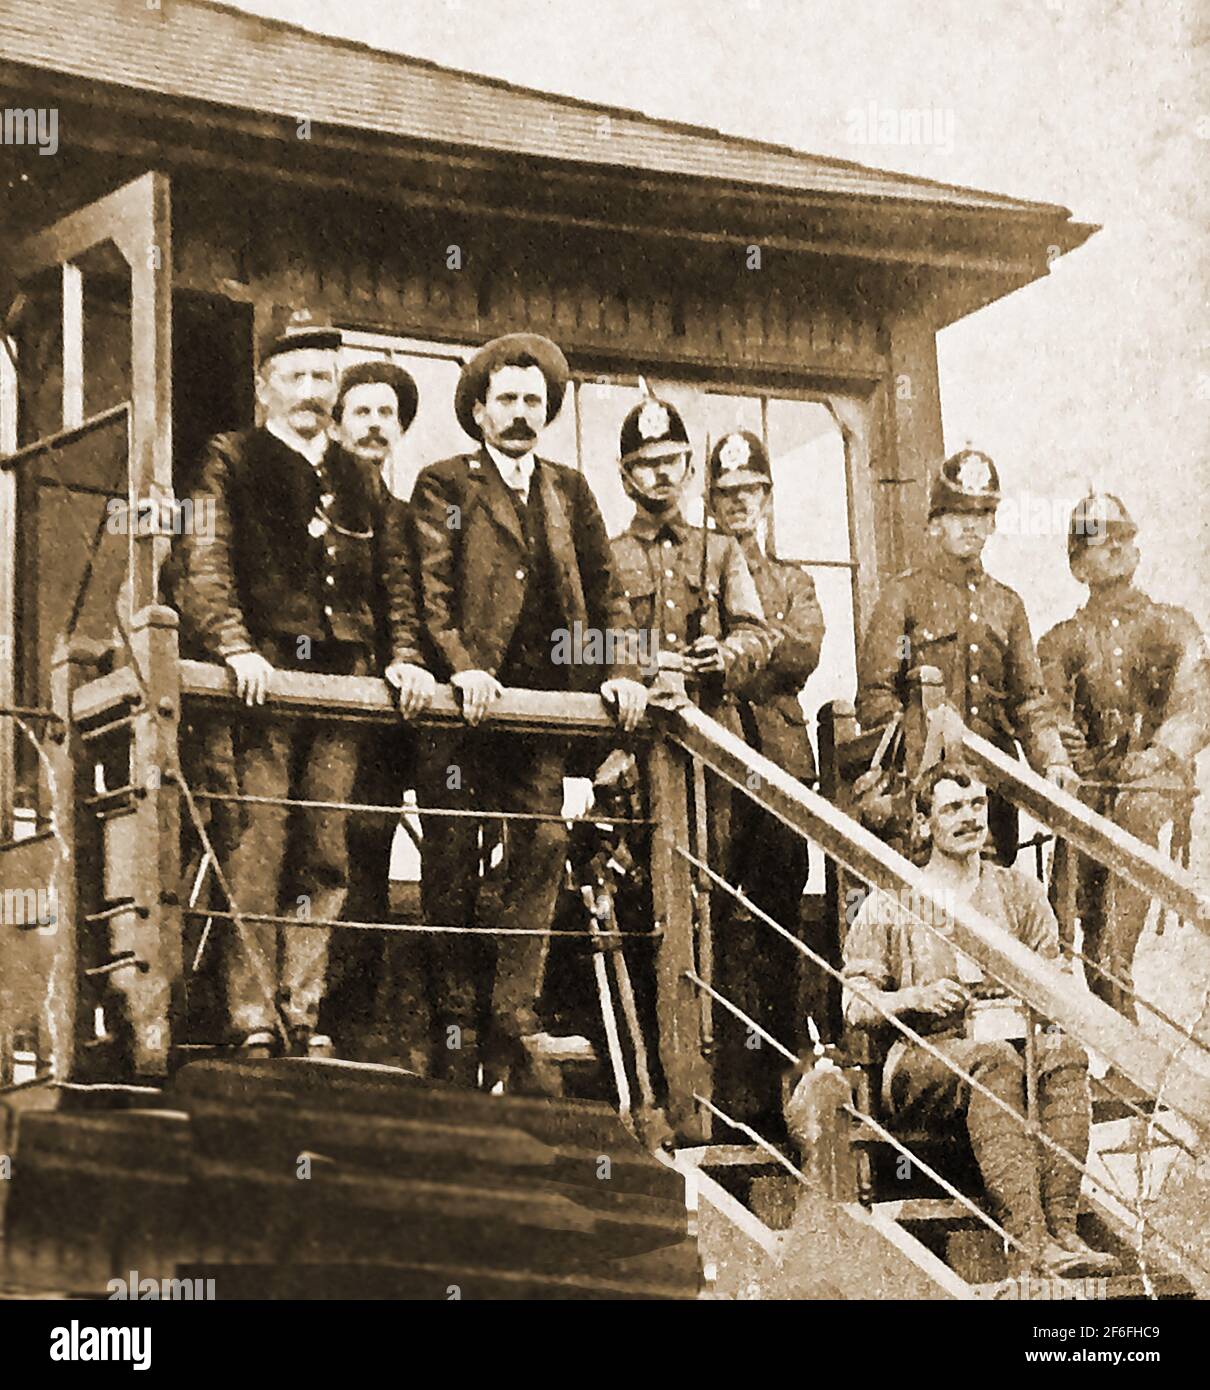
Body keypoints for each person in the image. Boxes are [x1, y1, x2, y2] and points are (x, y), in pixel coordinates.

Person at [176, 311, 431, 1057]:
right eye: (296, 376)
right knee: (258, 842)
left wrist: (405, 655)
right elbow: (203, 557)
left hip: (344, 682)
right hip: (264, 679)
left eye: (324, 376)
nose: (312, 391)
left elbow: (397, 587)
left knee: (325, 850)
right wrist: (231, 644)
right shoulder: (232, 457)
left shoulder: (362, 481)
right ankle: (251, 1014)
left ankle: (302, 1010)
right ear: (265, 386)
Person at [407, 332, 647, 1094]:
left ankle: (512, 1006)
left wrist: (621, 672)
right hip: (464, 712)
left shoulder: (569, 491)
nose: (520, 415)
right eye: (505, 400)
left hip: (541, 714)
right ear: (479, 412)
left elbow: (605, 595)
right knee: (448, 858)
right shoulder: (444, 486)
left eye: (532, 403)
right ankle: (454, 1017)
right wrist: (462, 668)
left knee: (543, 840)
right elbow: (432, 594)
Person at [843, 761, 1117, 1277]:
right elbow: (854, 1003)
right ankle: (1031, 1239)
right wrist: (914, 998)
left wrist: (1027, 992)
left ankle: (1063, 1229)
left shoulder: (1018, 893)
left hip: (1012, 1050)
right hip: (921, 1064)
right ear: (924, 824)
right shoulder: (892, 901)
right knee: (993, 1062)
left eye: (977, 806)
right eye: (952, 808)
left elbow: (1057, 978)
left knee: (1064, 1055)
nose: (969, 819)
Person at [608, 399, 772, 1120]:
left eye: (671, 461)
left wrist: (726, 655)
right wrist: (643, 667)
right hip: (640, 754)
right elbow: (580, 644)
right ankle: (660, 1081)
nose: (659, 475)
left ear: (686, 467)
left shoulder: (722, 551)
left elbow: (757, 634)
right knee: (646, 902)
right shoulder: (609, 555)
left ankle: (727, 1087)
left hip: (714, 752)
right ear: (625, 474)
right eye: (645, 464)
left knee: (718, 898)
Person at [857, 449, 1075, 867]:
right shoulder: (903, 596)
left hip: (994, 795)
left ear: (992, 523)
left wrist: (1054, 759)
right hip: (926, 798)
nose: (971, 525)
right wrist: (920, 761)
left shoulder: (1007, 606)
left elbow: (1029, 701)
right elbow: (876, 696)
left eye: (982, 514)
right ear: (935, 524)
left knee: (993, 908)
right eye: (958, 514)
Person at [1039, 494, 1210, 1019]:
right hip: (1091, 792)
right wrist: (1064, 755)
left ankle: (1124, 993)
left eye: (1122, 538)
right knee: (1078, 920)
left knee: (1118, 925)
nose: (1113, 549)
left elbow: (1197, 704)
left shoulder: (1174, 626)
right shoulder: (1062, 641)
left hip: (1153, 790)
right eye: (1097, 542)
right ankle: (1119, 1034)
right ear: (1076, 565)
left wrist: (1160, 753)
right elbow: (1046, 709)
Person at [707, 429, 829, 1121]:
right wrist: (757, 644)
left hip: (780, 763)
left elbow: (804, 650)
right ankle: (731, 1073)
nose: (739, 505)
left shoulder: (792, 581)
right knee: (720, 910)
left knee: (781, 907)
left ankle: (783, 1061)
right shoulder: (703, 570)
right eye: (726, 494)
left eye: (750, 491)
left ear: (768, 497)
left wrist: (741, 646)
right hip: (720, 762)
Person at [323, 358, 436, 1068]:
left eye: (385, 414)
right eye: (359, 412)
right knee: (316, 854)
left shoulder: (405, 518)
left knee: (365, 857)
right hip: (323, 708)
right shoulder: (316, 507)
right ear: (336, 425)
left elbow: (418, 607)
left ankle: (352, 1015)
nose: (372, 425)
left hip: (384, 722)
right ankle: (308, 1013)